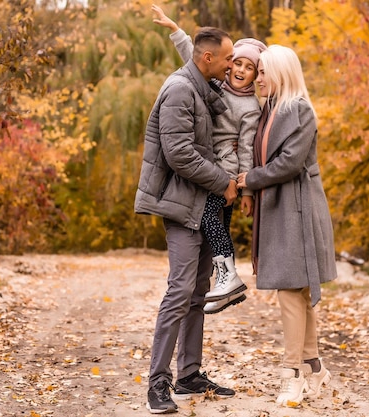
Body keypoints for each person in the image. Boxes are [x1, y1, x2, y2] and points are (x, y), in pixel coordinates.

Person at [134, 26, 239, 414]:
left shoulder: (201, 86)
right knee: (179, 293)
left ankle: (189, 374)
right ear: (207, 58)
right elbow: (178, 153)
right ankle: (158, 385)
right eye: (228, 58)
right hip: (182, 206)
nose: (232, 65)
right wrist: (223, 182)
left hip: (203, 203)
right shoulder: (180, 90)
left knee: (198, 291)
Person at [236, 45, 338, 406]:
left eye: (263, 71)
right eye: (258, 71)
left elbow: (290, 164)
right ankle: (314, 369)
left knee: (291, 293)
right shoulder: (268, 110)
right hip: (277, 208)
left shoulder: (300, 110)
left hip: (298, 209)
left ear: (281, 72)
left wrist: (250, 180)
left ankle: (292, 373)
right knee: (298, 293)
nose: (257, 78)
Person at [152, 5, 267, 314]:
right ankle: (226, 279)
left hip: (225, 170)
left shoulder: (251, 109)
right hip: (210, 167)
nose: (240, 70)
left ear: (257, 75)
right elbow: (194, 56)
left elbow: (247, 150)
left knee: (212, 223)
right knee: (215, 226)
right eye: (236, 63)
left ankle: (227, 277)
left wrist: (247, 190)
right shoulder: (216, 84)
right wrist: (176, 30)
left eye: (249, 68)